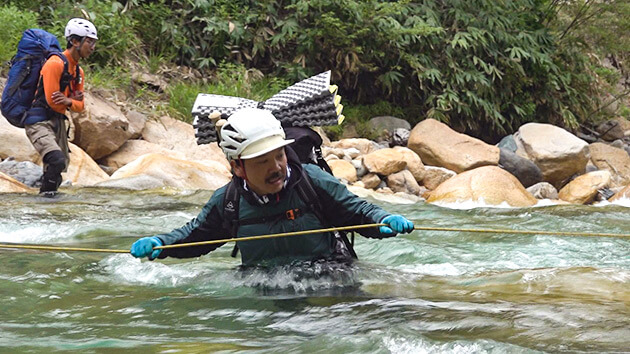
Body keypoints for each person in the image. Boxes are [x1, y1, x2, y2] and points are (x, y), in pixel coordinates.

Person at [130, 108, 414, 266]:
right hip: (262, 287)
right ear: (238, 168)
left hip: (329, 278)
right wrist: (161, 243)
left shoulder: (312, 181)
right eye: (262, 161)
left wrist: (383, 220)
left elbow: (357, 211)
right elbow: (195, 237)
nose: (277, 167)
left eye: (278, 155)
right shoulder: (228, 202)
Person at [24, 18, 98, 197]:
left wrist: (68, 101)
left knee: (58, 169)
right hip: (38, 121)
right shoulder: (54, 64)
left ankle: (47, 204)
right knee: (56, 160)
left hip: (57, 122)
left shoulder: (78, 72)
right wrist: (69, 100)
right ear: (74, 41)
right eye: (89, 41)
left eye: (94, 43)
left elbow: (80, 107)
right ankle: (44, 201)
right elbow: (52, 100)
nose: (93, 47)